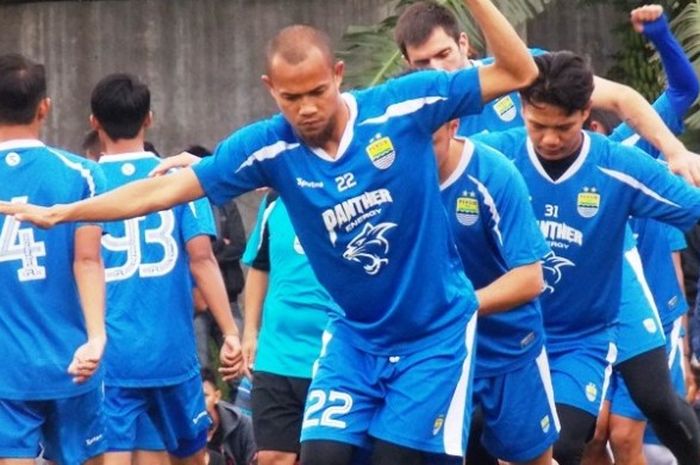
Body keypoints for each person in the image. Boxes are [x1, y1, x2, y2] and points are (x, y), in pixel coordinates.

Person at [0, 1, 539, 462]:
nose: (305, 108)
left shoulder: (404, 106)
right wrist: (68, 213)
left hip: (432, 335)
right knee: (322, 455)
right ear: (270, 89)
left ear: (338, 74)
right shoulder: (268, 148)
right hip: (355, 336)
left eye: (315, 92)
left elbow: (517, 72)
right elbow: (163, 191)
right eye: (290, 97)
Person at [472, 50, 700, 465]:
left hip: (580, 341)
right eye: (538, 125)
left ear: (586, 113)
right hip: (507, 338)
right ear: (522, 109)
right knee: (474, 442)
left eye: (563, 126)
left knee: (567, 441)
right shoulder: (489, 157)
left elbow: (692, 203)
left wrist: (683, 158)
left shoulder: (617, 165)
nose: (550, 139)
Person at [89, 73, 242, 465]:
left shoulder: (85, 183)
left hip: (111, 356)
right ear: (150, 119)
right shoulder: (180, 180)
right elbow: (203, 258)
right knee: (193, 457)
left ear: (94, 122)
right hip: (172, 353)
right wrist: (229, 332)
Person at [394, 0, 700, 185]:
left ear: (463, 43)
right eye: (422, 63)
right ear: (407, 63)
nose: (437, 70)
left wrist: (674, 152)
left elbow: (623, 97)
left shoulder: (523, 71)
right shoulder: (406, 112)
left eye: (444, 54)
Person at [581, 6, 700, 465]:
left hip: (653, 316)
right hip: (592, 318)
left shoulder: (633, 148)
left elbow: (685, 89)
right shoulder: (537, 164)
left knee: (626, 436)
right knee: (593, 434)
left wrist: (660, 34)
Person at [0, 53, 107, 464]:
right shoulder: (81, 174)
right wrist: (97, 339)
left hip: (6, 370)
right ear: (45, 107)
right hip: (72, 358)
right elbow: (88, 260)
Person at [433, 117, 558, 465]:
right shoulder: (390, 178)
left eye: (429, 142)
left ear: (452, 126)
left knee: (532, 461)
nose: (417, 153)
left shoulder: (492, 174)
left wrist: (456, 308)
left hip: (508, 346)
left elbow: (530, 279)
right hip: (437, 353)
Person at [242, 190, 340, 465]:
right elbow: (259, 267)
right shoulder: (275, 199)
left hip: (333, 357)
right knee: (272, 456)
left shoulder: (354, 196)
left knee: (324, 457)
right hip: (276, 355)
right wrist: (250, 331)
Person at [202, 368, 257, 465]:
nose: (199, 403)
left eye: (204, 396)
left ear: (217, 396)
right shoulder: (181, 428)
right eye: (194, 397)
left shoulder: (242, 425)